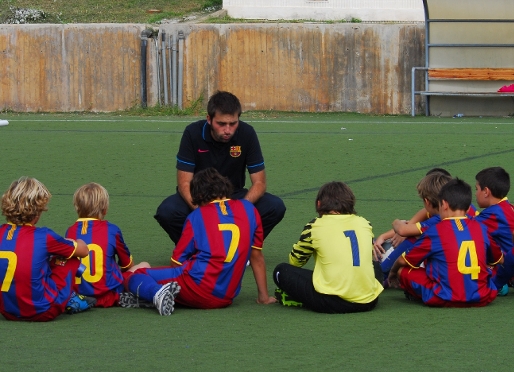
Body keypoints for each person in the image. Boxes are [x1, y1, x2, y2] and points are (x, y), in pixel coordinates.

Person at [119, 168, 276, 315]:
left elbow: (177, 262)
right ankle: (153, 296)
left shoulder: (198, 216)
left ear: (199, 196)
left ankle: (155, 293)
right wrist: (264, 297)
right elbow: (256, 257)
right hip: (227, 297)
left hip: (198, 288)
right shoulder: (249, 209)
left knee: (136, 274)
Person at [154, 91, 286, 245]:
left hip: (234, 196)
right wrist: (202, 211)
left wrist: (241, 208)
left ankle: (241, 249)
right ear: (209, 119)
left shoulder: (247, 133)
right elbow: (184, 183)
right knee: (167, 212)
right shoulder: (192, 133)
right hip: (199, 197)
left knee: (275, 207)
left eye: (233, 123)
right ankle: (197, 250)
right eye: (221, 124)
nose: (228, 130)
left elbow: (259, 183)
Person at [388, 178, 502, 307]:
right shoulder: (481, 227)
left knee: (403, 270)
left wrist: (393, 272)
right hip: (482, 297)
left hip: (443, 297)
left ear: (444, 204)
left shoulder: (435, 230)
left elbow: (404, 261)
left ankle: (415, 293)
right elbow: (497, 259)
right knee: (490, 269)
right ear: (468, 206)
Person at [273, 181, 383, 314]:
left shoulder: (314, 226)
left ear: (319, 204)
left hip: (333, 303)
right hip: (369, 301)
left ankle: (300, 298)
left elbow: (295, 262)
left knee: (281, 271)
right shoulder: (364, 222)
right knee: (374, 265)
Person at [0, 177, 96, 321]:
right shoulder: (44, 236)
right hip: (44, 311)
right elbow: (83, 251)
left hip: (7, 312)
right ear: (38, 212)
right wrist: (74, 241)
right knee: (68, 257)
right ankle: (71, 299)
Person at [66, 182, 149, 307]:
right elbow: (127, 265)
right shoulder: (112, 230)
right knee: (144, 265)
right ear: (105, 209)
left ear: (77, 207)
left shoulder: (70, 231)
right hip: (110, 294)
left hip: (80, 295)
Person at [473, 167, 514, 295]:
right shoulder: (508, 207)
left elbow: (464, 226)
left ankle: (497, 284)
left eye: (476, 189)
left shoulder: (494, 214)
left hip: (509, 268)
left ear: (486, 192)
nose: (475, 194)